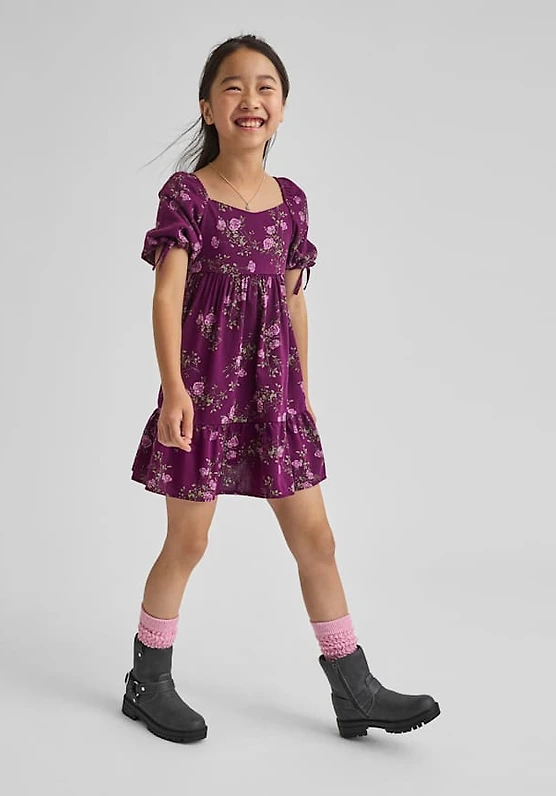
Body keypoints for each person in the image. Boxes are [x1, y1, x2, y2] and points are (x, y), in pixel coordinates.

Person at [123, 34, 441, 743]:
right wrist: (173, 388)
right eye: (233, 86)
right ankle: (147, 681)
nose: (251, 99)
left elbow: (294, 300)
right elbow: (166, 296)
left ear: (284, 107)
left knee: (317, 539)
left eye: (265, 86)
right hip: (204, 394)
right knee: (188, 542)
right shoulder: (188, 196)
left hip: (274, 398)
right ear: (207, 106)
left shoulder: (291, 201)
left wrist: (303, 390)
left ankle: (353, 688)